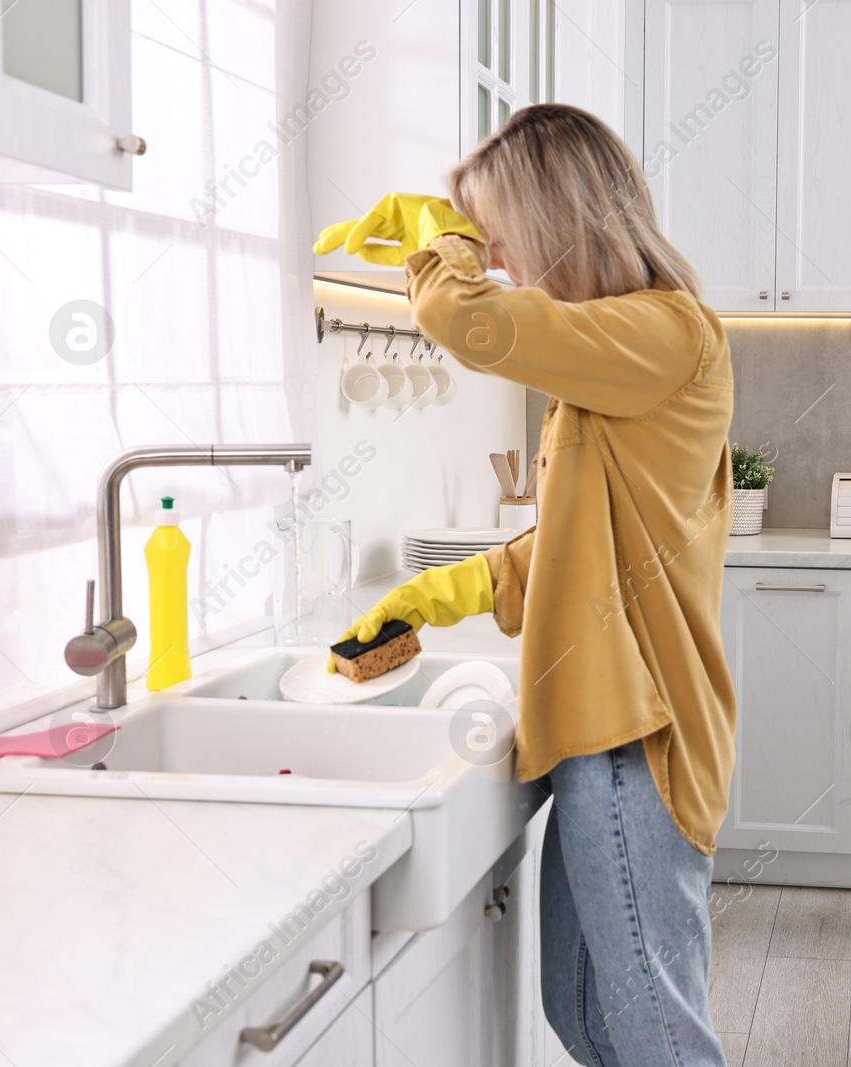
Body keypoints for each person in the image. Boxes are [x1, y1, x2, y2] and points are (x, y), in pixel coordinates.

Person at [315, 104, 736, 1066]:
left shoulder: (666, 332)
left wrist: (442, 247)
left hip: (639, 729)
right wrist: (428, 597)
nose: (493, 255)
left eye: (501, 232)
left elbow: (467, 321)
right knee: (582, 1017)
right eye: (481, 238)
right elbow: (564, 548)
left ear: (558, 219)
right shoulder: (604, 355)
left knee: (657, 1034)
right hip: (594, 732)